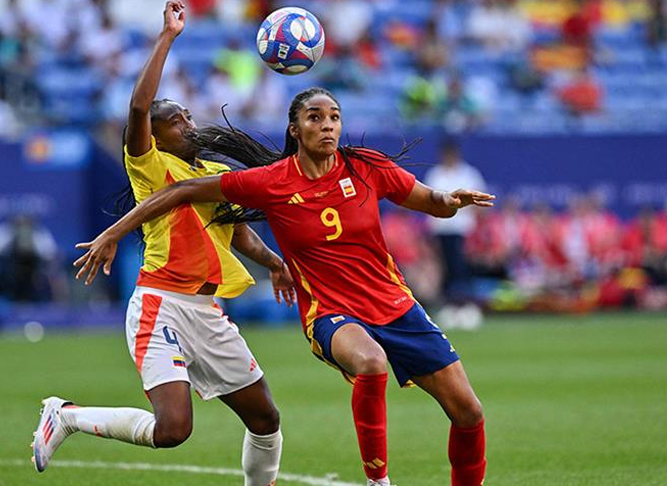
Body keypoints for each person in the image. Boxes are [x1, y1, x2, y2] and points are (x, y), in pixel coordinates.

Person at [73, 83, 495, 485]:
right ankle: (377, 480)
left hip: (396, 304)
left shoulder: (366, 166)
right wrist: (112, 233)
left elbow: (429, 201)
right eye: (315, 117)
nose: (327, 125)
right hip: (331, 312)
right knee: (369, 361)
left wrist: (450, 201)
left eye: (334, 117)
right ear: (295, 129)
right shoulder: (274, 181)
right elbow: (182, 191)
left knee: (469, 412)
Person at [31, 5, 291, 486]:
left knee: (266, 419)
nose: (189, 125)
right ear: (157, 137)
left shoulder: (213, 175)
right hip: (162, 305)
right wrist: (168, 37)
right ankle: (65, 415)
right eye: (176, 121)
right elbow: (136, 109)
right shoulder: (150, 168)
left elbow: (235, 231)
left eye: (189, 116)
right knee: (174, 430)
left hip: (209, 310)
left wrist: (274, 262)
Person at [424, 139, 487, 301]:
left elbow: (479, 203)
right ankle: (448, 302)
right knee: (444, 269)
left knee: (461, 268)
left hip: (463, 230)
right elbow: (427, 202)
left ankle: (464, 302)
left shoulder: (469, 175)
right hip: (441, 230)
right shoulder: (435, 175)